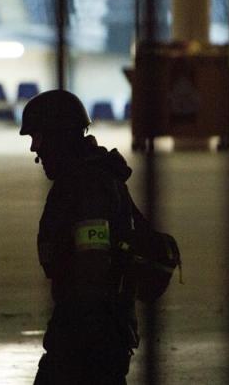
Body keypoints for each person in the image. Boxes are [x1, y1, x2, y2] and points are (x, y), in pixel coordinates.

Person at [20, 89, 139, 384]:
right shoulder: (82, 179)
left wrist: (77, 336)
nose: (35, 148)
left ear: (59, 137)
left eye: (39, 137)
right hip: (89, 333)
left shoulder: (88, 188)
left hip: (90, 339)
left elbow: (93, 267)